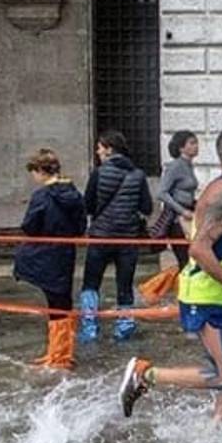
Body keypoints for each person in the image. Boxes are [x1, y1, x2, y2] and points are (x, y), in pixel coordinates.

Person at [119, 127, 222, 420]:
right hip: (207, 296)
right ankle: (145, 375)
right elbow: (198, 250)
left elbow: (221, 244)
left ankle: (216, 433)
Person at [13, 149, 85, 369]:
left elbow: (29, 225)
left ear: (40, 170)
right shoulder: (74, 193)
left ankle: (58, 354)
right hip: (65, 252)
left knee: (55, 303)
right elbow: (81, 226)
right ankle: (60, 352)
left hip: (45, 253)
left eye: (33, 172)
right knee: (61, 300)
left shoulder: (42, 196)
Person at [78, 130, 153, 344]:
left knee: (91, 282)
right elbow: (146, 207)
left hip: (101, 237)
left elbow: (88, 205)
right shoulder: (138, 175)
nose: (98, 151)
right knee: (125, 283)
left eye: (100, 147)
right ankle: (124, 326)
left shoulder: (99, 173)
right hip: (127, 239)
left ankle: (90, 325)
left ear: (110, 149)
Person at [156, 130, 200, 268]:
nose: (196, 146)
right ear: (182, 148)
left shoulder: (188, 165)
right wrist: (181, 210)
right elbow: (161, 193)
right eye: (192, 143)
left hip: (188, 215)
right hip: (176, 219)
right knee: (184, 259)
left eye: (196, 142)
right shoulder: (175, 166)